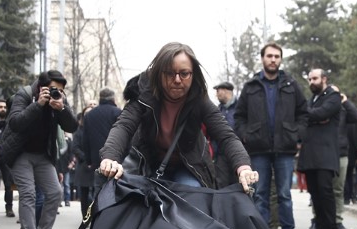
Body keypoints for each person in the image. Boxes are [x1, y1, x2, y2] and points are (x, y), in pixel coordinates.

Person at [98, 42, 257, 194]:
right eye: (169, 73)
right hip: (148, 162)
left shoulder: (200, 100)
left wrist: (243, 168)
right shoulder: (143, 95)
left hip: (189, 166)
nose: (177, 80)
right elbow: (123, 127)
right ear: (159, 73)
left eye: (184, 73)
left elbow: (226, 136)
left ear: (193, 74)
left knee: (192, 197)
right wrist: (110, 159)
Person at [234, 42, 308, 229]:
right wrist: (246, 136)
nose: (273, 59)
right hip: (258, 150)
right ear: (263, 58)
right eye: (269, 56)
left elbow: (303, 113)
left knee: (285, 194)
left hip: (284, 149)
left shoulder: (291, 85)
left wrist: (296, 134)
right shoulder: (251, 87)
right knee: (260, 194)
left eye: (277, 56)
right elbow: (239, 117)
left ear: (280, 59)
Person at [0, 70, 78, 229]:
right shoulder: (24, 95)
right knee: (28, 194)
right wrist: (38, 105)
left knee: (55, 193)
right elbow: (16, 123)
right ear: (41, 87)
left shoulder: (58, 100)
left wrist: (62, 108)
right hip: (20, 153)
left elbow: (73, 126)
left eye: (59, 90)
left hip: (43, 155)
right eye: (52, 89)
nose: (55, 93)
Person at [299, 68, 342, 229]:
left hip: (325, 154)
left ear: (324, 79)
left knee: (325, 192)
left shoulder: (333, 97)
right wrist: (313, 117)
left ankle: (332, 228)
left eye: (315, 78)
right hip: (310, 153)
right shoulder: (312, 100)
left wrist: (310, 115)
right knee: (314, 193)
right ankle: (320, 228)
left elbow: (322, 113)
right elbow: (310, 117)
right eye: (309, 79)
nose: (311, 82)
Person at [75, 86, 122, 218]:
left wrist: (89, 160)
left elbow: (86, 140)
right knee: (115, 192)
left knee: (100, 192)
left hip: (98, 162)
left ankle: (99, 220)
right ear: (113, 98)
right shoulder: (118, 113)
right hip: (116, 162)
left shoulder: (89, 116)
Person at [332, 88, 357, 229]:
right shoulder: (320, 107)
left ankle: (337, 220)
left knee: (338, 189)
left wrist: (345, 101)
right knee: (320, 191)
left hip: (341, 152)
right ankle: (318, 220)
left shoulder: (344, 110)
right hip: (323, 153)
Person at [212, 81, 239, 188]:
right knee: (221, 185)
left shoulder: (240, 108)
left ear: (226, 91)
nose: (217, 94)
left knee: (238, 184)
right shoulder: (217, 110)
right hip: (220, 155)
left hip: (237, 154)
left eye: (218, 91)